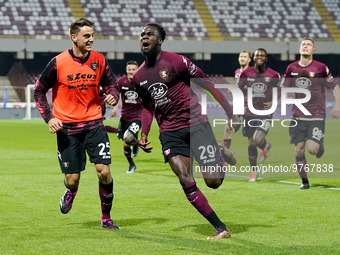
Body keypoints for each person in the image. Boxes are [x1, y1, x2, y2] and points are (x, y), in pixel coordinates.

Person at [134, 23, 240, 239]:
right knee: (184, 177)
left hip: (195, 125)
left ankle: (218, 151)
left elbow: (208, 85)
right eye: (142, 34)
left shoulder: (177, 62)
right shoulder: (138, 77)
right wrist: (144, 133)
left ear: (160, 40)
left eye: (150, 34)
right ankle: (221, 228)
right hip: (169, 132)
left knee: (213, 182)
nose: (145, 37)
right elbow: (147, 106)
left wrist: (230, 112)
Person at [33, 18, 120, 229]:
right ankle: (71, 190)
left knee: (104, 172)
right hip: (68, 129)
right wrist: (50, 118)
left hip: (94, 124)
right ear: (74, 38)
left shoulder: (99, 60)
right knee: (72, 179)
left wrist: (112, 95)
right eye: (86, 36)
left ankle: (106, 219)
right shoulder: (57, 62)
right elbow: (39, 90)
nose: (91, 39)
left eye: (92, 35)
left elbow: (112, 85)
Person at [281, 38, 340, 190]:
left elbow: (335, 87)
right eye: (303, 45)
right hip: (298, 116)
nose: (305, 47)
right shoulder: (291, 68)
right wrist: (286, 98)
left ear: (313, 50)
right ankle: (304, 181)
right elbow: (285, 88)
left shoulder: (320, 68)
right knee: (299, 149)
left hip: (316, 115)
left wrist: (337, 105)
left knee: (312, 149)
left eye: (308, 45)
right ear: (300, 49)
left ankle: (320, 145)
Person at [237, 48, 280, 182]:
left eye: (262, 55)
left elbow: (280, 90)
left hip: (265, 112)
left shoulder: (273, 75)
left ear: (266, 58)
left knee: (257, 139)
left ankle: (265, 145)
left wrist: (274, 101)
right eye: (257, 55)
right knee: (251, 144)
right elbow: (237, 91)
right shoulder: (245, 73)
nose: (260, 57)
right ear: (254, 58)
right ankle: (254, 171)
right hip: (249, 112)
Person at [110, 60, 142, 174]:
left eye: (133, 69)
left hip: (138, 117)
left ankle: (135, 142)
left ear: (138, 70)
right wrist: (115, 109)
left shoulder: (142, 82)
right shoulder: (121, 82)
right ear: (126, 70)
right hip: (125, 117)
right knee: (125, 144)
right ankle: (131, 164)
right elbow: (117, 95)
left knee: (127, 138)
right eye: (129, 69)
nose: (131, 71)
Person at [223, 50, 252, 149]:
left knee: (251, 134)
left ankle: (264, 145)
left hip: (249, 104)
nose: (242, 58)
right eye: (241, 56)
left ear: (249, 59)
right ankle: (225, 152)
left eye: (244, 57)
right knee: (228, 127)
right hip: (238, 104)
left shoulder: (252, 72)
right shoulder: (237, 72)